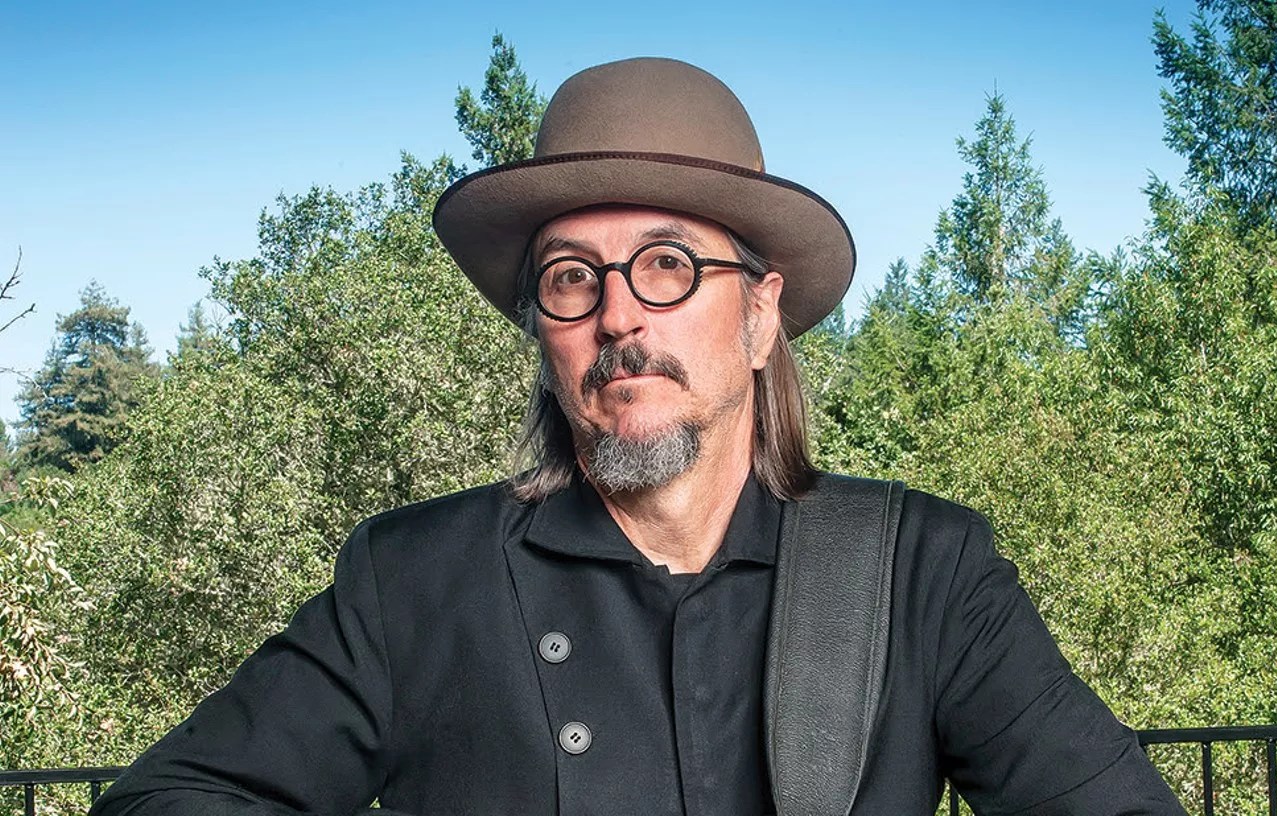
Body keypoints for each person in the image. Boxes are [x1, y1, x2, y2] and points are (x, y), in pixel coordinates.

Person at [90, 58, 1185, 815]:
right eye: (573, 278)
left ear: (759, 315)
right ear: (546, 334)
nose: (618, 316)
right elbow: (165, 799)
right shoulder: (412, 582)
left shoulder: (928, 574)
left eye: (667, 265)